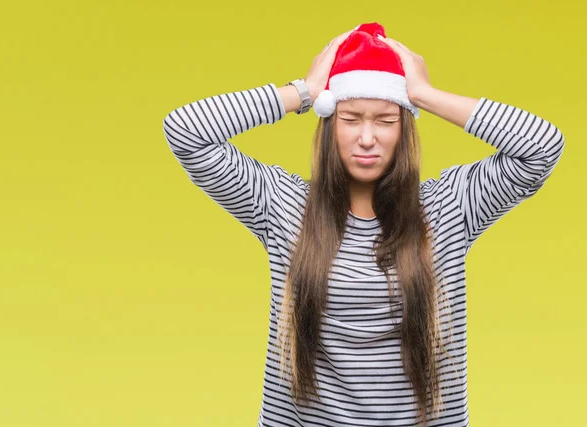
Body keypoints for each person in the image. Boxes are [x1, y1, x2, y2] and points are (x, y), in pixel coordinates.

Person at [162, 22, 564, 427]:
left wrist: (424, 94)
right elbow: (186, 131)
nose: (367, 138)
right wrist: (303, 92)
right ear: (328, 123)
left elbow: (542, 146)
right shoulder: (284, 206)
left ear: (405, 128)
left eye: (386, 120)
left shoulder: (448, 208)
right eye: (351, 118)